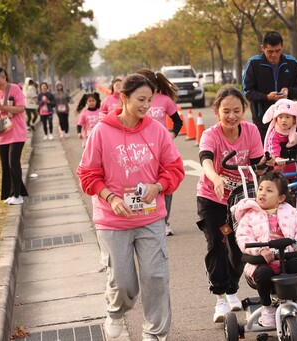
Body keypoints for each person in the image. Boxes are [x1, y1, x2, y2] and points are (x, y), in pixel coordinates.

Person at [76, 74, 185, 340]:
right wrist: (111, 198)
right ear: (123, 98)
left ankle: (156, 333)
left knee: (155, 277)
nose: (147, 105)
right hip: (112, 220)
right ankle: (115, 312)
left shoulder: (157, 130)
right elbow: (87, 174)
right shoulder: (101, 131)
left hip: (150, 217)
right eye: (140, 99)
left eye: (150, 100)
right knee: (122, 282)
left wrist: (157, 187)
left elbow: (174, 168)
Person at [196, 86, 274, 323]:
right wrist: (215, 177)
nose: (231, 116)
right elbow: (206, 161)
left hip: (241, 199)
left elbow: (256, 166)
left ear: (244, 110)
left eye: (237, 111)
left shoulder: (250, 131)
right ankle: (220, 298)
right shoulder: (210, 135)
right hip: (212, 199)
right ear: (216, 111)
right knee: (217, 244)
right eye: (226, 111)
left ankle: (231, 290)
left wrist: (267, 164)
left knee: (239, 246)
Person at [234, 171, 297, 327]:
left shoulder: (290, 211)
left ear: (281, 198)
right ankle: (267, 308)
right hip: (262, 262)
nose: (262, 193)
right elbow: (243, 238)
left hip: (286, 257)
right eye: (260, 189)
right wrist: (260, 251)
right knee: (263, 273)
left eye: (269, 190)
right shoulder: (249, 216)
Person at [136, 68, 183, 236]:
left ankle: (164, 221)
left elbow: (177, 122)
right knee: (145, 184)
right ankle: (145, 218)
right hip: (141, 151)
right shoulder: (136, 101)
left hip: (162, 150)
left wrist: (171, 134)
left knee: (166, 185)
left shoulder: (165, 100)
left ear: (155, 86)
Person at [242, 31, 297, 144]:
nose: (274, 55)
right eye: (270, 52)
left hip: (290, 118)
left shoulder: (291, 63)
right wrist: (267, 97)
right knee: (267, 155)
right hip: (263, 121)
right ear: (262, 48)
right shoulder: (254, 64)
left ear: (282, 47)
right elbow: (247, 92)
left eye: (278, 51)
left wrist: (288, 91)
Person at [0, 66, 28, 205]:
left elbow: (21, 108)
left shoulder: (14, 89)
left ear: (4, 77)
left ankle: (18, 196)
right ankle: (11, 193)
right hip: (1, 133)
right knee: (5, 165)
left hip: (16, 132)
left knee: (13, 162)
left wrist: (2, 107)